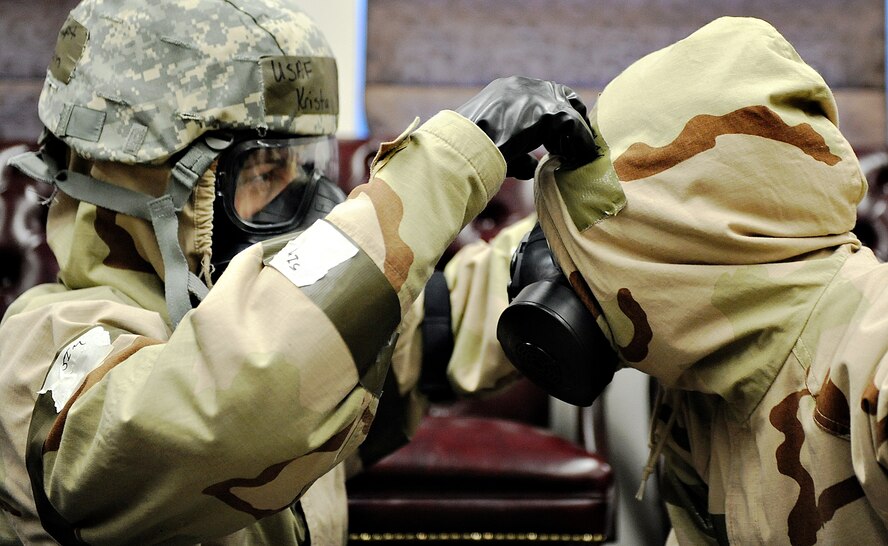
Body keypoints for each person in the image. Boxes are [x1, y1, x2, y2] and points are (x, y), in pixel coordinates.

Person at [0, 0, 597, 543]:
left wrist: (575, 223)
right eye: (263, 172)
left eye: (303, 164)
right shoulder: (36, 362)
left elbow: (441, 321)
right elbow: (241, 399)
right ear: (142, 187)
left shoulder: (284, 327)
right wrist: (450, 163)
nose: (310, 205)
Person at [506, 15, 888, 545]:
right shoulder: (705, 381)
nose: (561, 278)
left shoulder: (876, 349)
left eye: (577, 249)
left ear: (672, 243)